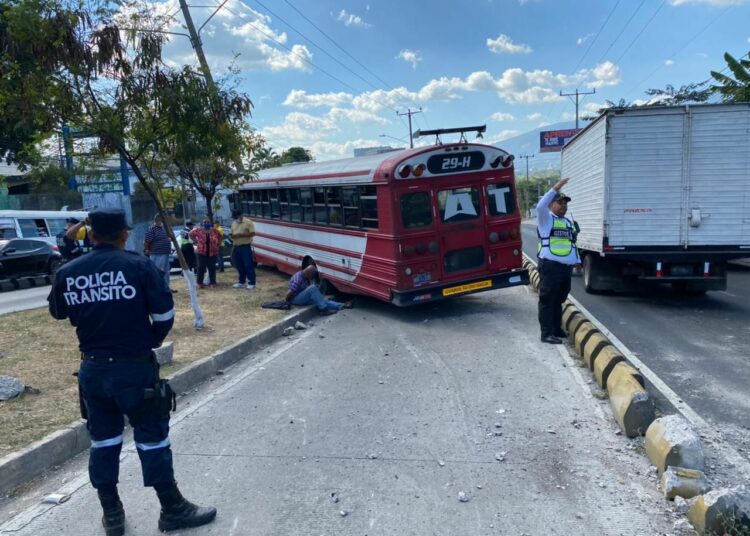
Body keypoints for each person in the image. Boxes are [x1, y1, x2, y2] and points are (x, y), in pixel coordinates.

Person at [47, 208, 216, 536]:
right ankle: (172, 509)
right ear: (125, 234)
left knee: (103, 441)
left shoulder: (69, 271)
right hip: (134, 369)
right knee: (152, 439)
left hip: (93, 370)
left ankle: (112, 515)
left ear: (91, 234)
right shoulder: (139, 266)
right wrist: (146, 343)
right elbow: (165, 315)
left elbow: (57, 311)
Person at [536, 177, 581, 344]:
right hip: (550, 267)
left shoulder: (568, 222)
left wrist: (577, 261)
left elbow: (571, 244)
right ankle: (546, 333)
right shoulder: (545, 219)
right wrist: (555, 188)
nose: (563, 205)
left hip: (565, 268)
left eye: (565, 203)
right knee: (548, 300)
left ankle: (556, 328)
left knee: (559, 299)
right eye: (559, 202)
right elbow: (540, 205)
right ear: (551, 205)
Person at [285, 265, 351, 315]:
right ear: (309, 273)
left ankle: (341, 305)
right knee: (312, 288)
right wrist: (288, 302)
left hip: (301, 296)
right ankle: (323, 309)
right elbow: (289, 292)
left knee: (320, 300)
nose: (312, 277)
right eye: (312, 275)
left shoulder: (305, 277)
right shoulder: (298, 278)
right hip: (295, 299)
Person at [144, 214, 173, 292]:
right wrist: (147, 250)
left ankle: (166, 287)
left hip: (165, 252)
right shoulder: (151, 229)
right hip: (157, 253)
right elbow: (147, 241)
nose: (163, 222)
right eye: (162, 220)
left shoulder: (164, 228)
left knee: (166, 271)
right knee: (158, 271)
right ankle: (159, 288)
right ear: (158, 220)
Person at [189, 217, 220, 288]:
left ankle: (213, 282)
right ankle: (199, 283)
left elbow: (220, 236)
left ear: (210, 223)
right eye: (205, 222)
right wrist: (195, 241)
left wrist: (217, 244)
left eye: (208, 222)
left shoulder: (214, 231)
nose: (206, 223)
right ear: (202, 223)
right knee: (201, 267)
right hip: (201, 252)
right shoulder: (198, 230)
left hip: (212, 252)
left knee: (212, 267)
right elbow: (190, 234)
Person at [230, 210, 256, 290]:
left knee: (248, 265)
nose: (236, 219)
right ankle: (241, 281)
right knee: (239, 265)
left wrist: (241, 235)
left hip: (245, 246)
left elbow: (252, 233)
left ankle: (252, 282)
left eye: (236, 217)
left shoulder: (248, 222)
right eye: (234, 218)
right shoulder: (234, 223)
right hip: (236, 246)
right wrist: (232, 236)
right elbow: (231, 233)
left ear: (241, 215)